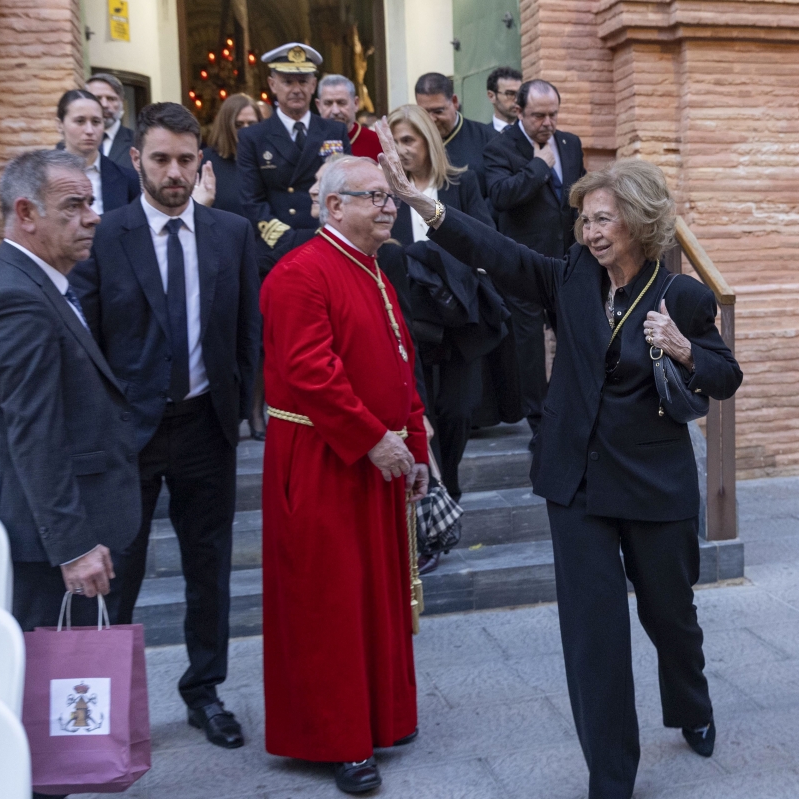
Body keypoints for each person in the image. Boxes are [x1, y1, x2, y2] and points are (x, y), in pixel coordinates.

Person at [378, 121, 742, 799]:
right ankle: (611, 773)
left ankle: (691, 703)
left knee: (669, 615)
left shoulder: (681, 296)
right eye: (583, 219)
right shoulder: (571, 277)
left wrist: (687, 349)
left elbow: (725, 376)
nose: (589, 231)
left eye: (603, 219)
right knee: (592, 634)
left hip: (654, 482)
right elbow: (498, 252)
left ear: (639, 222)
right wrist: (424, 205)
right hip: (575, 480)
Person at [71, 103, 260, 750]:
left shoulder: (231, 233)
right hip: (130, 437)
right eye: (161, 159)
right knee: (119, 573)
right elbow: (87, 344)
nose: (174, 172)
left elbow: (245, 331)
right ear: (135, 161)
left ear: (200, 162)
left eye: (186, 159)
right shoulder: (105, 235)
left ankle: (204, 689)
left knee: (209, 569)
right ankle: (113, 708)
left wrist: (248, 408)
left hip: (207, 427)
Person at [259, 156, 429, 794]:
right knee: (329, 602)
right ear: (334, 207)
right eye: (374, 197)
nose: (389, 207)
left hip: (373, 457)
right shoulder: (299, 275)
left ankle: (380, 717)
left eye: (390, 197)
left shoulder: (373, 270)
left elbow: (398, 361)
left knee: (373, 595)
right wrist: (373, 441)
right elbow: (311, 374)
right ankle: (337, 740)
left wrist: (412, 442)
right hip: (322, 461)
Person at [0, 150, 140, 638]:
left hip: (61, 526)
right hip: (47, 544)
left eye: (91, 202)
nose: (92, 217)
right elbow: (35, 434)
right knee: (58, 698)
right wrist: (74, 547)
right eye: (73, 206)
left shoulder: (38, 282)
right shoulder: (15, 299)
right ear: (26, 214)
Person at [387, 104, 504, 500]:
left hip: (457, 314)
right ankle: (435, 488)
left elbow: (484, 237)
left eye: (410, 140)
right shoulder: (384, 191)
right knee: (423, 413)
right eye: (396, 140)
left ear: (428, 141)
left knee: (457, 410)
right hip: (406, 316)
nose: (402, 149)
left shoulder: (460, 185)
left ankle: (447, 479)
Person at [484, 79, 586, 438]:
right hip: (523, 263)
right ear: (518, 112)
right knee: (528, 345)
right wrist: (539, 167)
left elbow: (580, 195)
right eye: (539, 115)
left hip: (569, 260)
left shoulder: (570, 143)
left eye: (553, 114)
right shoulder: (500, 148)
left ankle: (567, 404)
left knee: (574, 334)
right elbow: (500, 196)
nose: (548, 123)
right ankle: (539, 423)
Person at [237, 42, 351, 273]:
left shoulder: (333, 131)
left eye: (302, 81)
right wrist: (286, 238)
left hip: (327, 240)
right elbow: (252, 200)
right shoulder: (253, 137)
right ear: (272, 84)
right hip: (275, 247)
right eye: (288, 82)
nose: (296, 89)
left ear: (313, 85)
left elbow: (345, 188)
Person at [414, 72, 497, 206]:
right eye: (424, 112)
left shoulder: (489, 138)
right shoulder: (411, 142)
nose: (431, 119)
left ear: (454, 102)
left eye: (438, 111)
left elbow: (498, 195)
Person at [56, 89, 140, 214]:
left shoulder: (129, 180)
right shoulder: (42, 176)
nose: (89, 130)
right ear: (60, 125)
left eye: (96, 122)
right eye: (80, 121)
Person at [201, 93, 262, 215]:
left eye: (252, 124)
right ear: (226, 126)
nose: (246, 130)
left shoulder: (267, 160)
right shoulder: (206, 162)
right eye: (238, 125)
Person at [316, 73, 383, 160]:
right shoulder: (308, 140)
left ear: (356, 104)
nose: (335, 111)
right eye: (328, 103)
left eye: (341, 103)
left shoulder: (377, 142)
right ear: (318, 106)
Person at [85, 73, 135, 163]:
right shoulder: (67, 145)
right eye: (97, 98)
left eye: (111, 99)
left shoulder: (138, 143)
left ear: (121, 103)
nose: (104, 105)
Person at [487, 65, 522, 132]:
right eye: (510, 94)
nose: (517, 99)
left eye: (520, 94)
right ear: (491, 96)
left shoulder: (530, 134)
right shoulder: (482, 136)